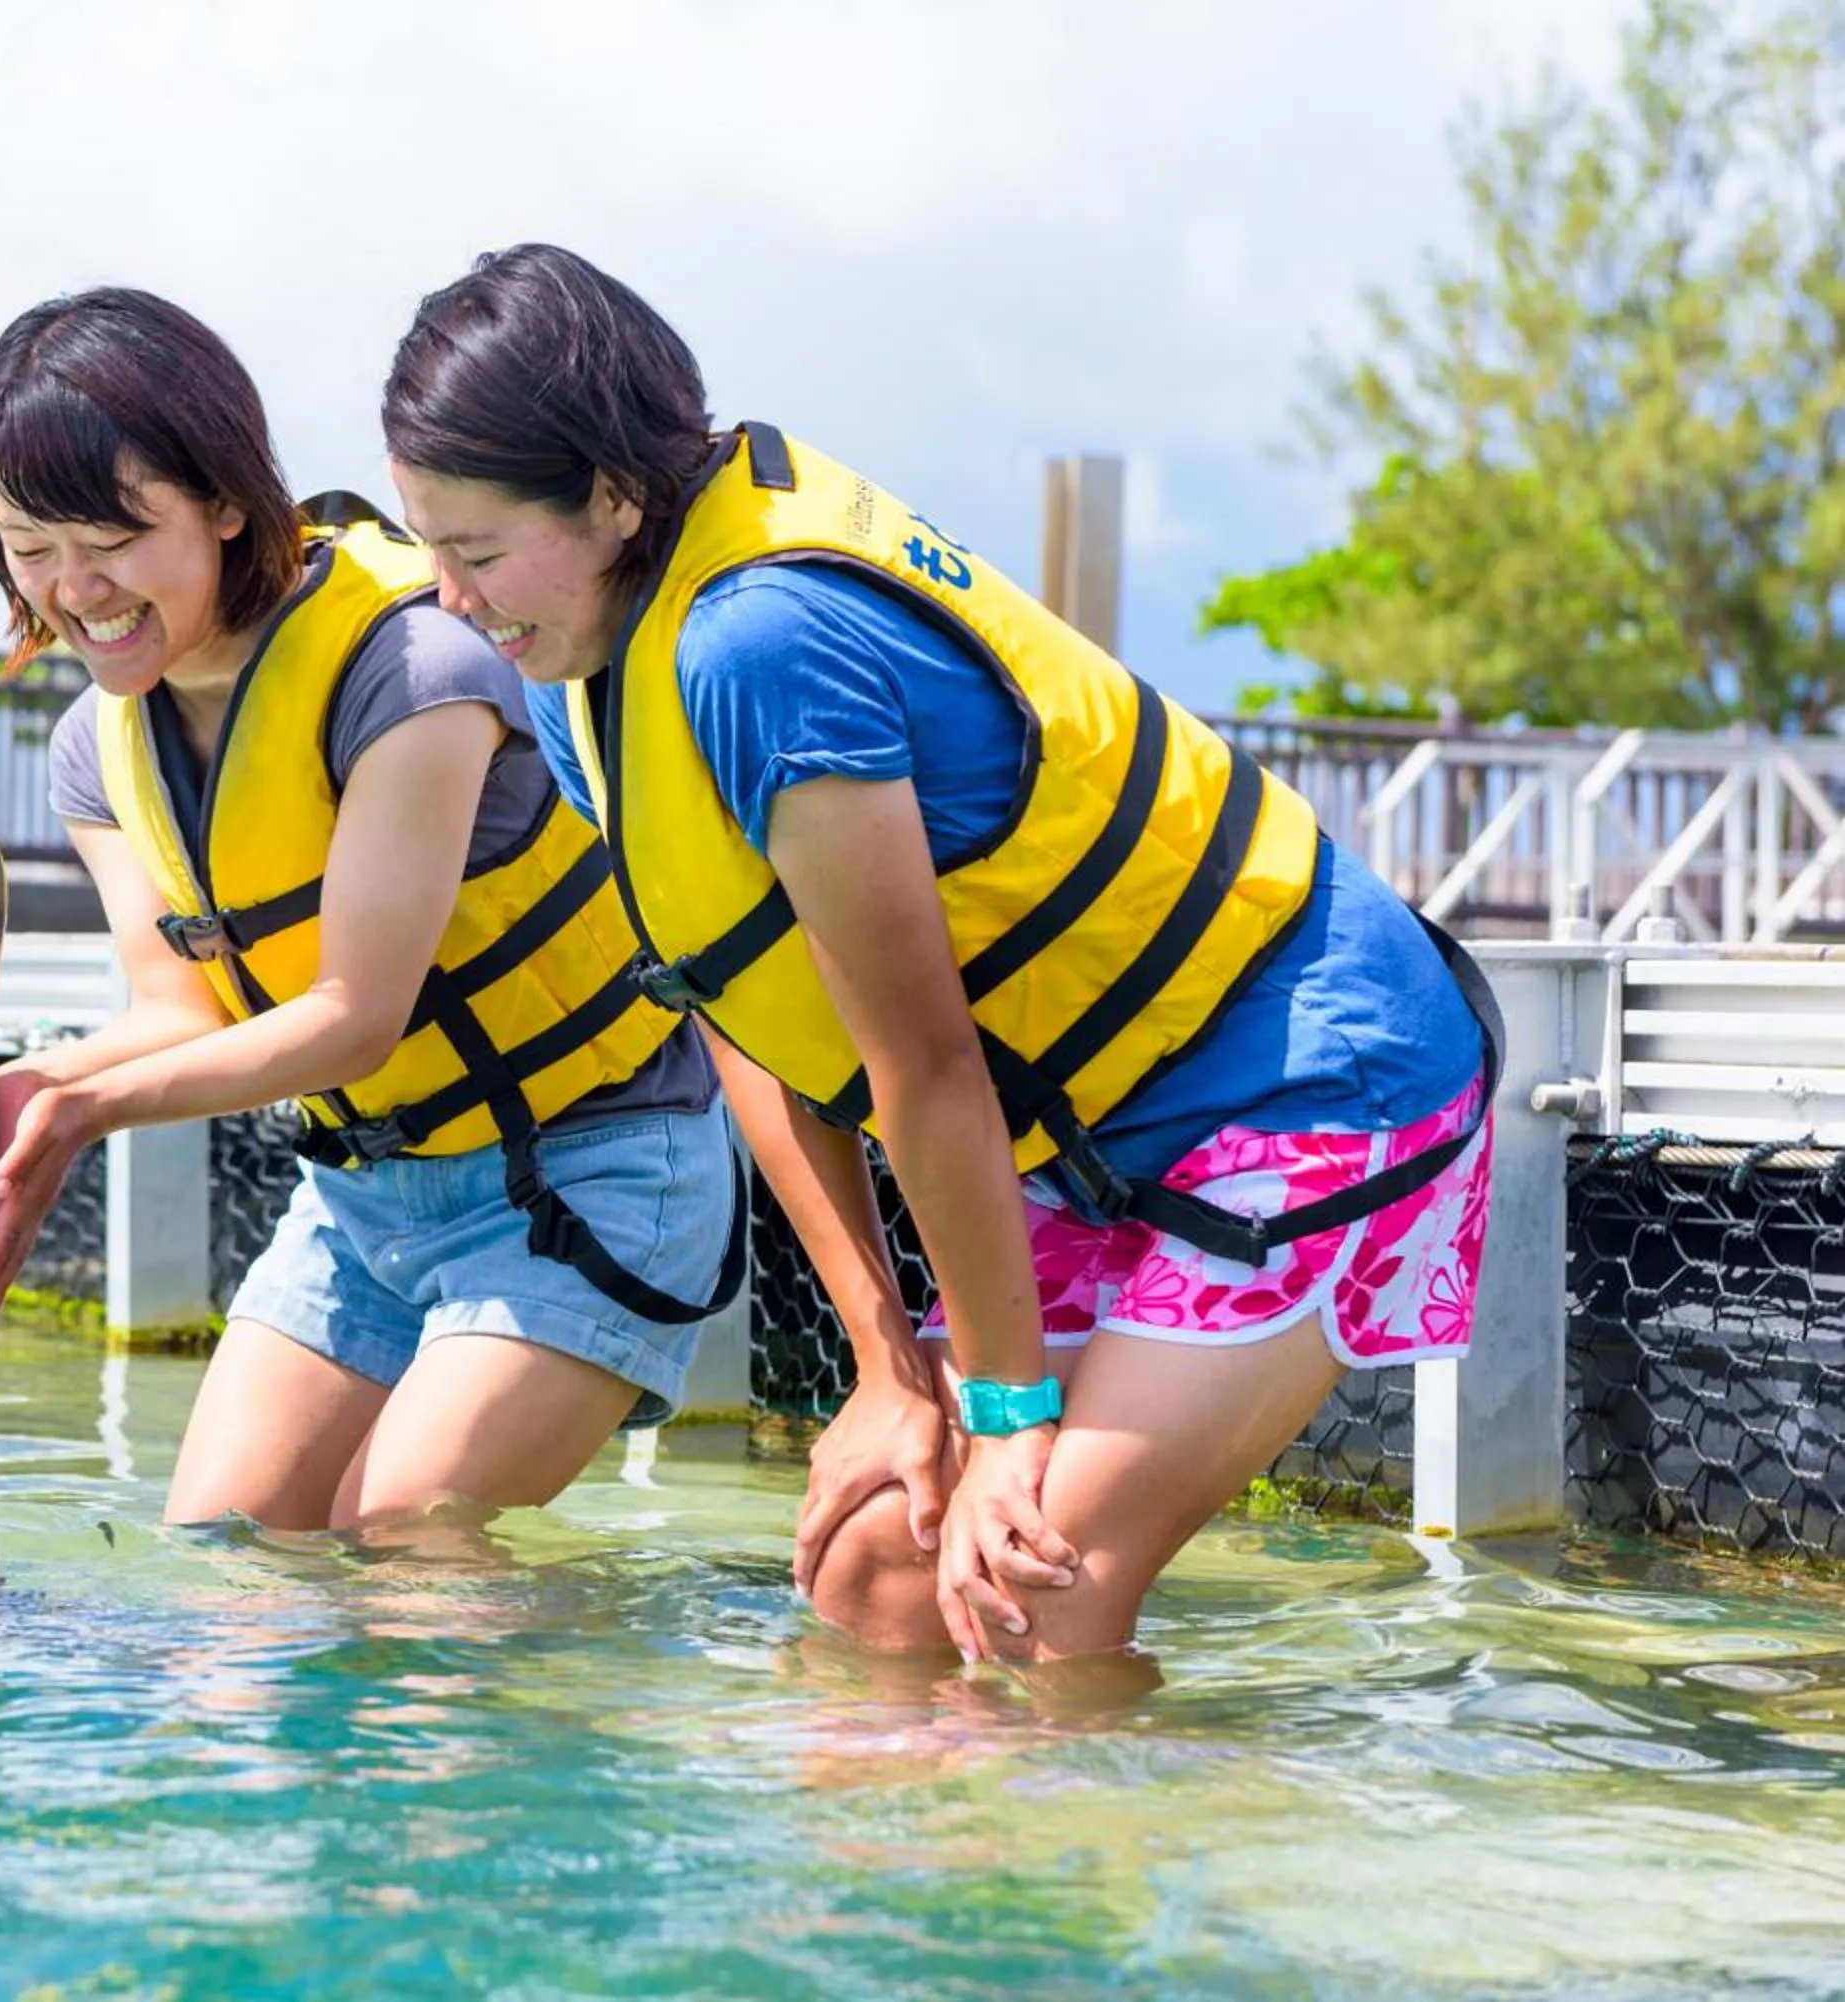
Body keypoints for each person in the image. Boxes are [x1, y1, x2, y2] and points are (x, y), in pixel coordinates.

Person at [380, 244, 1497, 1665]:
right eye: (431, 547)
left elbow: (922, 1063)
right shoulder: (575, 669)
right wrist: (885, 1368)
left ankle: (1178, 1853)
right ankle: (927, 1875)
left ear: (613, 496)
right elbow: (742, 1000)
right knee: (873, 1572)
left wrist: (1012, 1422)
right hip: (1098, 1128)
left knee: (1017, 1591)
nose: (448, 597)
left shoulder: (758, 644)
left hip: (1313, 1079)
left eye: (475, 551)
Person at [0, 287, 741, 1534]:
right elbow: (178, 1010)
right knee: (225, 1565)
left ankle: (634, 1712)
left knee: (408, 1538)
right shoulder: (94, 753)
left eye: (111, 534)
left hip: (588, 1168)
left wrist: (84, 1112)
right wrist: (15, 1089)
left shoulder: (413, 667)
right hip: (366, 1201)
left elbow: (356, 1017)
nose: (73, 586)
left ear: (222, 498)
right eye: (27, 545)